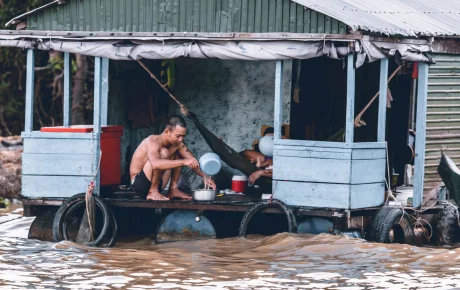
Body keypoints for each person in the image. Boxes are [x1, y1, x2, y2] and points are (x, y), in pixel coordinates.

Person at [130, 115, 216, 201]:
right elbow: (155, 164)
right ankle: (153, 190)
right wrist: (183, 162)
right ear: (167, 131)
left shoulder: (177, 144)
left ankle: (173, 189)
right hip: (139, 184)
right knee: (163, 152)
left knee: (177, 151)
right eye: (178, 136)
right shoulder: (152, 141)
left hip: (159, 183)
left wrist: (205, 176)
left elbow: (192, 161)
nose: (180, 139)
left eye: (183, 136)